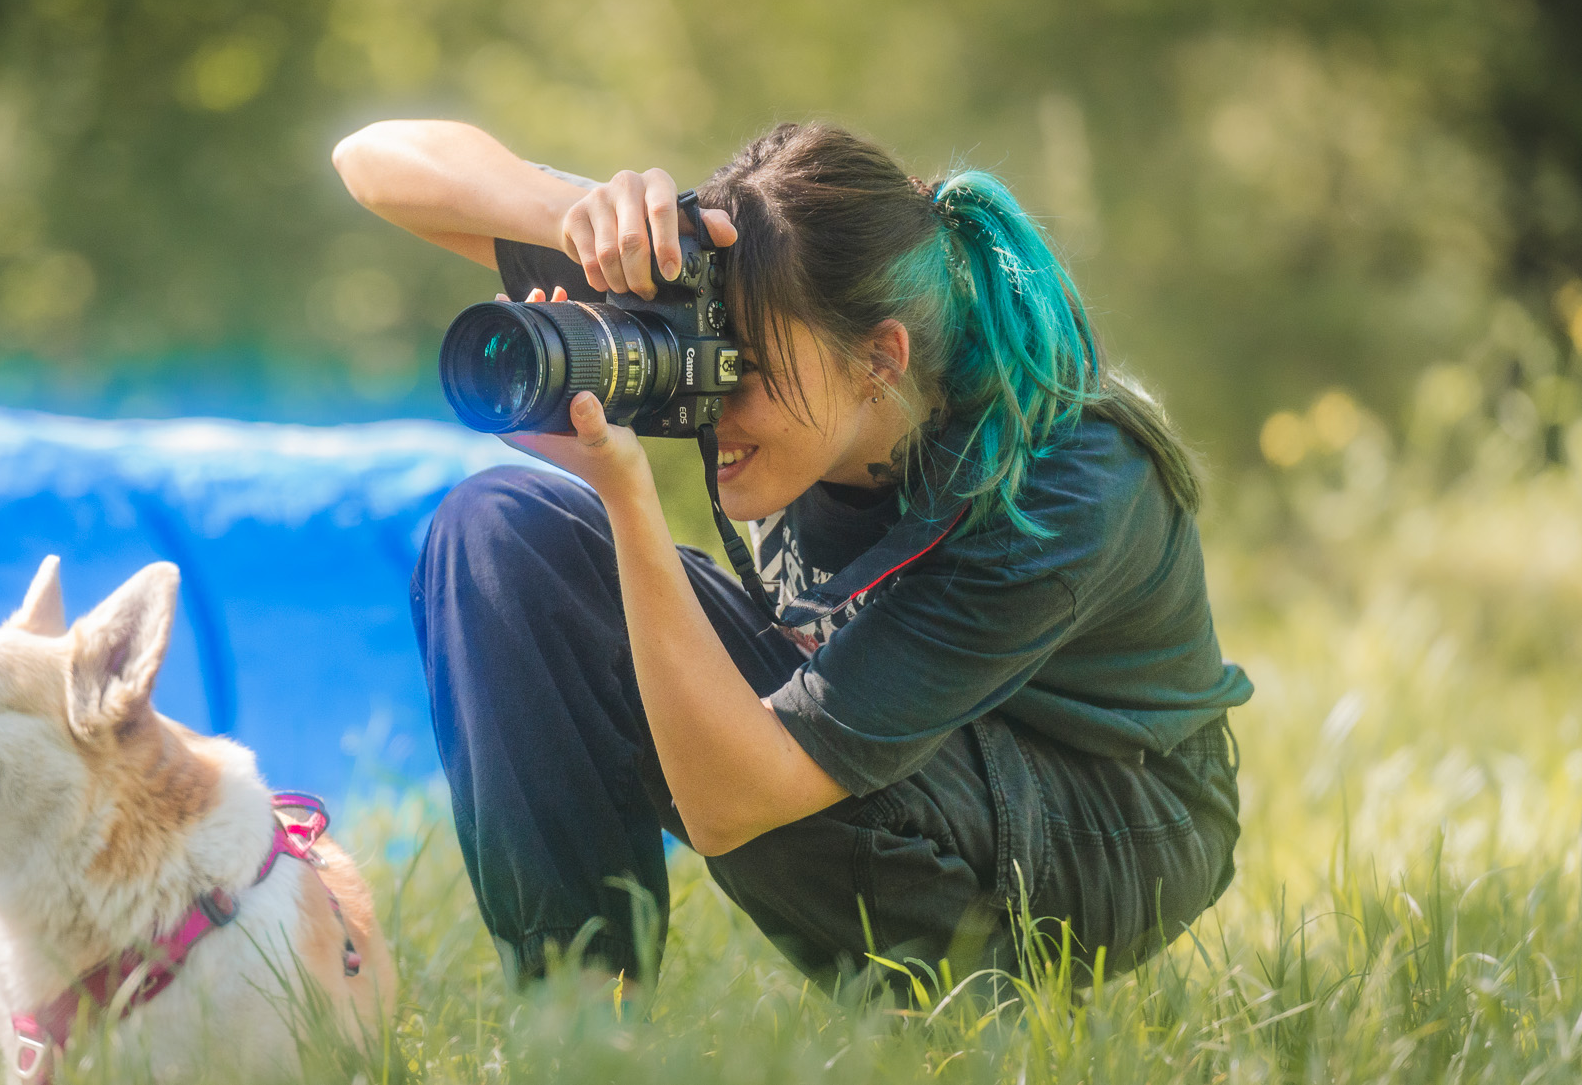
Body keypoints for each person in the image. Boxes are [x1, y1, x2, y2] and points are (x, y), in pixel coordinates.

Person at [332, 118, 1253, 994]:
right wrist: (569, 221)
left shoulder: (1061, 486)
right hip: (914, 748)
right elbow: (370, 159)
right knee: (499, 525)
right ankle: (578, 1020)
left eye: (749, 370)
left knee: (761, 767)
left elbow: (734, 798)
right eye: (709, 352)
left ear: (878, 362)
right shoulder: (744, 281)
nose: (712, 397)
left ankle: (963, 1011)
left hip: (1117, 822)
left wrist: (626, 494)